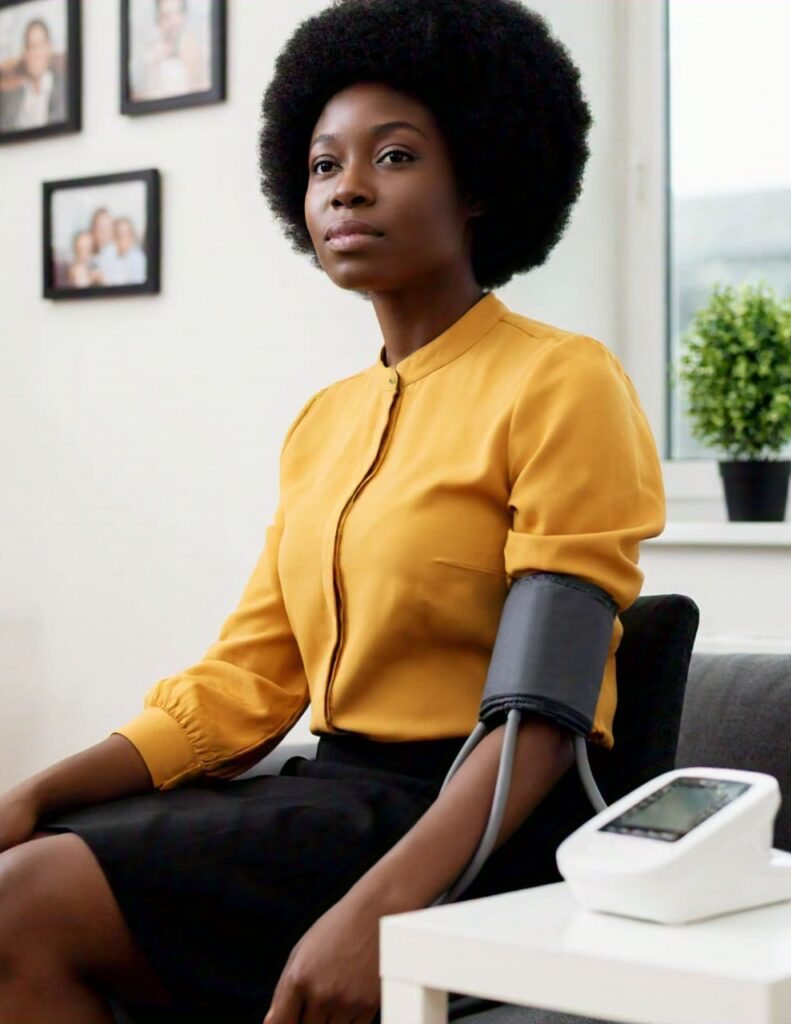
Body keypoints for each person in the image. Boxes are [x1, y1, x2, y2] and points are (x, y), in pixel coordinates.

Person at [0, 1, 666, 1022]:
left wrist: (384, 909)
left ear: (478, 180)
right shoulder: (325, 420)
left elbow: (543, 710)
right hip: (324, 792)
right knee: (27, 874)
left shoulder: (562, 381)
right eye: (322, 166)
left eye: (394, 157)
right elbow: (243, 682)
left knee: (24, 905)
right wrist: (39, 790)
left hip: (477, 823)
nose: (347, 187)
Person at [0, 17, 66, 132]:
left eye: (40, 45)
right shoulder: (11, 96)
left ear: (49, 48)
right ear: (25, 53)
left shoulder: (64, 88)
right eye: (30, 46)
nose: (35, 53)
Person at [136, 0, 209, 100]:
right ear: (158, 20)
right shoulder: (149, 59)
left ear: (184, 16)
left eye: (177, 13)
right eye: (167, 15)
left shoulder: (199, 52)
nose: (173, 22)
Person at [107, 216, 148, 285]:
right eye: (119, 235)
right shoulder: (108, 253)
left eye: (125, 234)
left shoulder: (138, 258)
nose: (122, 239)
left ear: (131, 236)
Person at [88, 207, 122, 286]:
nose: (103, 233)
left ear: (112, 231)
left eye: (107, 228)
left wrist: (102, 279)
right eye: (99, 228)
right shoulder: (90, 256)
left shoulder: (117, 255)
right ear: (93, 230)